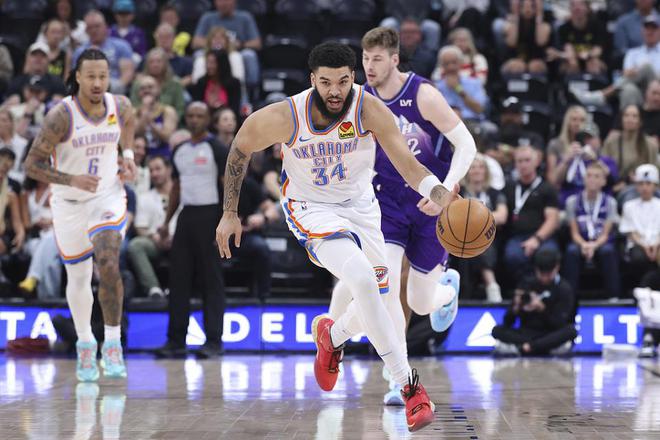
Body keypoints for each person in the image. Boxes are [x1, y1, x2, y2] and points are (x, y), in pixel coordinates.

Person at [216, 42, 466, 432]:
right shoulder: (287, 115)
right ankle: (410, 388)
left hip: (362, 208)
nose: (335, 91)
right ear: (312, 79)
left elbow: (409, 165)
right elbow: (240, 148)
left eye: (343, 82)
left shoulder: (368, 109)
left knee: (375, 302)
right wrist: (230, 213)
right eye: (326, 82)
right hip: (310, 208)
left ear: (353, 78)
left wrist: (441, 194)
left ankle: (332, 336)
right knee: (363, 281)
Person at [330, 27, 477, 405]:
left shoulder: (422, 94)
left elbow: (467, 144)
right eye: (365, 59)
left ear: (394, 59)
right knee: (387, 284)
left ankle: (447, 292)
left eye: (377, 59)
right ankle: (400, 377)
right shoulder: (359, 100)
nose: (369, 66)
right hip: (387, 204)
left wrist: (446, 188)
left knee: (422, 301)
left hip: (429, 202)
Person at [23, 48, 137, 382]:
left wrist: (128, 156)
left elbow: (129, 124)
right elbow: (32, 164)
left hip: (106, 195)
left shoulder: (120, 105)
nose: (98, 83)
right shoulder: (61, 116)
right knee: (78, 277)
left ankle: (112, 344)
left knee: (109, 260)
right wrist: (71, 179)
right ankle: (85, 343)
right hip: (68, 202)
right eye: (91, 76)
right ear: (77, 77)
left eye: (103, 76)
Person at [155, 102, 227, 360]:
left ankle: (214, 341)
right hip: (186, 217)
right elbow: (176, 188)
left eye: (200, 115)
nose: (195, 119)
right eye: (191, 115)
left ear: (208, 119)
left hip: (211, 216)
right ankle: (175, 341)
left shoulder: (217, 148)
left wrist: (226, 219)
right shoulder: (180, 150)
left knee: (211, 281)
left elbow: (228, 185)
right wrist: (167, 222)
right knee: (179, 281)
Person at [492, 248, 578, 356]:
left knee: (570, 331)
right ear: (536, 269)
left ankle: (527, 348)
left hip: (549, 334)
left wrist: (542, 309)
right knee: (497, 330)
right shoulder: (526, 284)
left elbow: (560, 323)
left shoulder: (564, 288)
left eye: (548, 274)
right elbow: (507, 322)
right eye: (541, 273)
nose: (544, 278)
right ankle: (538, 348)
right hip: (526, 333)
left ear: (557, 267)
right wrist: (515, 307)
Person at [562, 161, 621, 299]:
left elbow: (606, 233)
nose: (592, 179)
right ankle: (568, 297)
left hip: (601, 241)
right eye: (589, 176)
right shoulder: (572, 201)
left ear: (604, 181)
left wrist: (594, 245)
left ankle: (614, 296)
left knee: (608, 251)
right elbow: (574, 233)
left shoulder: (610, 202)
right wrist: (584, 244)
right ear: (584, 179)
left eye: (596, 176)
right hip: (580, 240)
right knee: (571, 251)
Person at [503, 146, 560, 286]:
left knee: (547, 256)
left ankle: (547, 291)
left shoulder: (547, 188)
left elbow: (552, 220)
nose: (523, 165)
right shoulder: (509, 188)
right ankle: (524, 289)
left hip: (543, 237)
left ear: (537, 162)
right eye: (520, 161)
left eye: (527, 160)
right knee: (512, 255)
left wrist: (536, 239)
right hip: (517, 237)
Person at [460, 155, 508, 302]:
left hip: (489, 236)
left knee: (480, 243)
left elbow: (502, 216)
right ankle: (489, 284)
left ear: (486, 171)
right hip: (461, 236)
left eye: (481, 167)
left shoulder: (494, 193)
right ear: (467, 171)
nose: (477, 171)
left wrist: (475, 218)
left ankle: (492, 288)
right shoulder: (459, 192)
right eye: (473, 167)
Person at [128, 156, 176, 298]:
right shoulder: (144, 197)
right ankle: (153, 289)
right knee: (136, 245)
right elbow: (140, 227)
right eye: (151, 170)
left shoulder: (183, 194)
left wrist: (175, 237)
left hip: (180, 239)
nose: (154, 174)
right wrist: (154, 237)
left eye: (158, 169)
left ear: (169, 170)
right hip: (155, 241)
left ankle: (180, 288)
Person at [193, 0, 262, 89]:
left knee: (249, 55)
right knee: (199, 55)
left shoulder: (245, 17)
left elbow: (257, 43)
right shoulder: (207, 17)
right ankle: (199, 88)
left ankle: (249, 89)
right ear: (215, 2)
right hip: (212, 53)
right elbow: (195, 42)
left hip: (236, 52)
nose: (223, 3)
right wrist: (213, 43)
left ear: (234, 2)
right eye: (220, 1)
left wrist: (240, 44)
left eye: (226, 0)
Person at [72, 10, 135, 95]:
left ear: (106, 27)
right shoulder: (80, 51)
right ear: (86, 30)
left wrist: (114, 90)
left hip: (115, 89)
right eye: (90, 27)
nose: (94, 30)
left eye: (97, 26)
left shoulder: (121, 46)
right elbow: (77, 77)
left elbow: (127, 74)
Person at [619, 164, 660, 280]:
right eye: (641, 184)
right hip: (638, 244)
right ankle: (643, 287)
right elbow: (630, 232)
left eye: (648, 184)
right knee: (639, 258)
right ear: (636, 186)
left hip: (658, 243)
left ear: (655, 186)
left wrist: (656, 245)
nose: (644, 187)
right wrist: (645, 246)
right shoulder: (629, 206)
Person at [603, 104, 659, 186]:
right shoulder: (611, 142)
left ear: (640, 121)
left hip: (643, 187)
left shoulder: (650, 145)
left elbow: (655, 172)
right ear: (621, 119)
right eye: (626, 115)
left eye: (634, 116)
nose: (630, 119)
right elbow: (603, 167)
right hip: (615, 186)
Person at [547, 0, 608, 75]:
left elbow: (598, 50)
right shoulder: (564, 28)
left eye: (580, 4)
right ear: (570, 8)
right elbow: (568, 51)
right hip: (572, 60)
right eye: (573, 5)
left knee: (593, 63)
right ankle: (571, 82)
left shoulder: (597, 26)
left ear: (588, 8)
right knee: (572, 63)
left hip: (591, 58)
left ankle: (594, 82)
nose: (577, 8)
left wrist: (588, 55)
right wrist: (574, 56)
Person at [434, 45, 489, 123]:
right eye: (446, 64)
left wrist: (458, 88)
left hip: (472, 122)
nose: (451, 67)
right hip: (446, 124)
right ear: (441, 66)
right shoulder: (436, 87)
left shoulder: (474, 83)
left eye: (454, 62)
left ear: (460, 63)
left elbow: (479, 109)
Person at [129, 48, 186, 119]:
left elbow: (180, 108)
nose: (155, 65)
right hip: (142, 120)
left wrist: (171, 119)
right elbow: (134, 106)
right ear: (147, 64)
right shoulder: (138, 83)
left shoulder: (175, 83)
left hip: (170, 120)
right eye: (151, 62)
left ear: (165, 63)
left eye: (159, 61)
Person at [501, 0, 552, 74]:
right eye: (524, 6)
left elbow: (540, 41)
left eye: (531, 6)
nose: (528, 10)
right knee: (517, 66)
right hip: (515, 58)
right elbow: (511, 42)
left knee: (535, 66)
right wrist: (516, 15)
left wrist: (539, 15)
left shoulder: (544, 25)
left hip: (536, 58)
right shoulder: (510, 24)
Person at [133, 76, 178, 159]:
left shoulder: (167, 111)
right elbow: (136, 134)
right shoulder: (134, 112)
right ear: (138, 93)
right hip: (141, 157)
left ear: (158, 89)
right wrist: (145, 113)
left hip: (163, 157)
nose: (146, 90)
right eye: (142, 88)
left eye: (150, 87)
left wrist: (151, 123)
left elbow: (167, 137)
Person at [188, 49, 241, 116]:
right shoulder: (201, 82)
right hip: (206, 119)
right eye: (207, 62)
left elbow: (235, 109)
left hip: (225, 118)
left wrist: (220, 108)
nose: (209, 66)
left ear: (222, 63)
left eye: (213, 63)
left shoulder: (234, 83)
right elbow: (197, 105)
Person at [0, 109, 28, 184]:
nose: (0, 123)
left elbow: (25, 169)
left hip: (17, 181)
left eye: (4, 120)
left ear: (11, 123)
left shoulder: (23, 144)